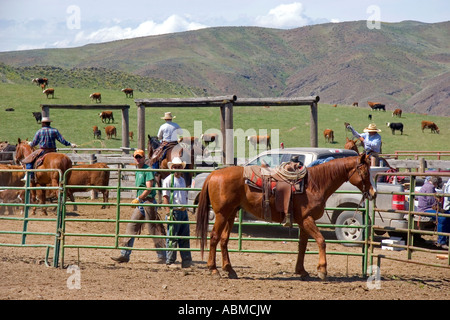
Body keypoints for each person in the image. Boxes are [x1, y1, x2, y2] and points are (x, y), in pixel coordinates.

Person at [111, 149, 166, 263]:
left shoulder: (147, 170)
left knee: (153, 229)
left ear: (143, 158)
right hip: (142, 202)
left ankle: (162, 255)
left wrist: (139, 198)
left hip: (148, 202)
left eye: (140, 157)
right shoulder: (138, 170)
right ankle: (125, 254)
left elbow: (149, 187)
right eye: (136, 157)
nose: (138, 159)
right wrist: (139, 199)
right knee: (131, 226)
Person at [21, 116, 77, 183]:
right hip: (53, 151)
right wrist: (70, 144)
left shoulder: (39, 131)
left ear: (43, 123)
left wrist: (30, 144)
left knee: (30, 160)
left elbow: (34, 143)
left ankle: (30, 176)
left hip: (43, 150)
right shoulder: (54, 131)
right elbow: (62, 140)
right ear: (49, 123)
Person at [162, 157, 192, 268]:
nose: (177, 169)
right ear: (172, 168)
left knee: (184, 236)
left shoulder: (182, 180)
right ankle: (170, 261)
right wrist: (168, 212)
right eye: (175, 167)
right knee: (172, 237)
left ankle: (186, 260)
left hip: (183, 211)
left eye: (179, 167)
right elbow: (166, 196)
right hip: (174, 211)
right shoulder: (168, 180)